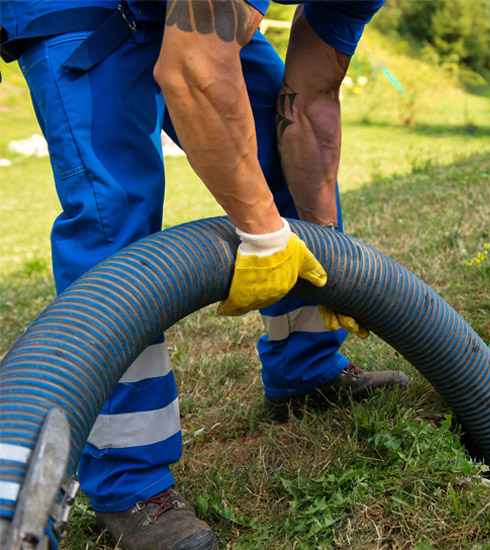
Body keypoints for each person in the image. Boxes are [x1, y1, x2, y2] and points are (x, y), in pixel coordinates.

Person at [0, 1, 409, 549]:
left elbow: (310, 101)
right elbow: (192, 67)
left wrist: (330, 258)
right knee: (113, 222)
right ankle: (128, 482)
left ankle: (306, 368)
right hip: (79, 9)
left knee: (278, 144)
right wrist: (264, 237)